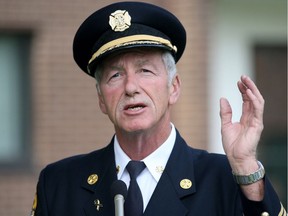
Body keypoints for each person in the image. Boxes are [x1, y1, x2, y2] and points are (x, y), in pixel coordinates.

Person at [31, 2, 286, 216]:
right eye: (115, 76)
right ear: (100, 98)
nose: (131, 87)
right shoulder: (59, 185)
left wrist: (246, 168)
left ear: (173, 87)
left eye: (145, 70)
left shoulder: (224, 180)